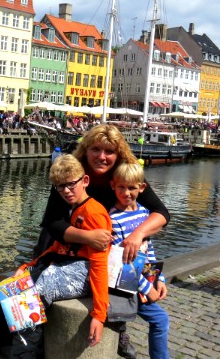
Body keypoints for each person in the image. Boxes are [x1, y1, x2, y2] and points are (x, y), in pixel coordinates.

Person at [0, 154, 112, 357]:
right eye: (60, 187)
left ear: (85, 181)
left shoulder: (93, 212)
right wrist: (30, 265)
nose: (66, 191)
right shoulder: (74, 209)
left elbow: (99, 263)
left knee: (2, 302)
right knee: (3, 304)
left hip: (77, 274)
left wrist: (99, 314)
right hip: (64, 269)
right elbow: (58, 248)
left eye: (71, 184)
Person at [34, 124, 171, 359]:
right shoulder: (73, 174)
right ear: (85, 150)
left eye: (109, 151)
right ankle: (38, 340)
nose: (102, 156)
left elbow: (161, 213)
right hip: (68, 242)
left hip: (106, 253)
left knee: (119, 272)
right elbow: (53, 222)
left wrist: (137, 236)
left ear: (118, 155)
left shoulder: (124, 177)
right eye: (95, 149)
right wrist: (87, 236)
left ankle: (120, 328)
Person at [110, 163, 169, 359]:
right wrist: (147, 289)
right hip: (127, 285)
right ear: (113, 186)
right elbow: (122, 265)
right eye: (121, 187)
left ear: (142, 188)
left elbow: (148, 251)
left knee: (160, 320)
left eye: (132, 187)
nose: (126, 193)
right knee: (161, 320)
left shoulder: (144, 213)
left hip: (140, 282)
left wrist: (160, 279)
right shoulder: (113, 220)